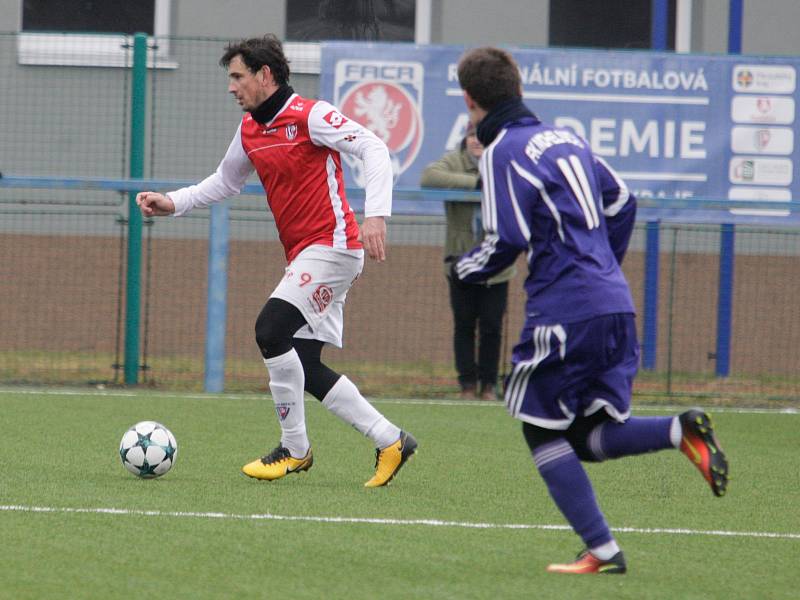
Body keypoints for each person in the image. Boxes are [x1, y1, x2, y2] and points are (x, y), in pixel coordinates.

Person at [452, 46, 729, 574]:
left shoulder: (503, 150)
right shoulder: (567, 138)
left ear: (470, 100)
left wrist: (461, 270)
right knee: (586, 436)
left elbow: (505, 239)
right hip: (614, 305)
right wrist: (603, 265)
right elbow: (623, 202)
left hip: (565, 311)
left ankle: (602, 550)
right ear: (519, 89)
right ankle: (679, 430)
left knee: (539, 429)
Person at [136, 35, 416, 488]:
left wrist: (376, 216)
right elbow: (224, 181)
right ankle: (390, 440)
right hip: (307, 252)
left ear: (265, 74)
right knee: (304, 362)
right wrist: (173, 202)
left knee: (270, 329)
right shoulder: (250, 129)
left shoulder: (311, 115)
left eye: (238, 76)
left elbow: (375, 148)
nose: (232, 87)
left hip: (335, 245)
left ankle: (295, 449)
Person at [420, 123, 515, 400]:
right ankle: (467, 386)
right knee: (464, 324)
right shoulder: (454, 160)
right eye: (472, 135)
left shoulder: (503, 161)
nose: (477, 141)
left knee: (492, 326)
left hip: (497, 264)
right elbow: (429, 176)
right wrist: (475, 183)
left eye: (483, 136)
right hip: (459, 262)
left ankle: (488, 385)